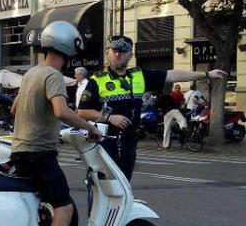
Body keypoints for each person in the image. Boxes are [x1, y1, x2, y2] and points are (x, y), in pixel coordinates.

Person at [10, 21, 103, 226]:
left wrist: (41, 122)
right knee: (64, 208)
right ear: (66, 46)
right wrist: (91, 128)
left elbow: (16, 108)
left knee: (45, 204)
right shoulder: (53, 76)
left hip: (21, 151)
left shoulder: (31, 74)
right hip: (40, 154)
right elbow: (61, 111)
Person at [77, 35, 226, 180]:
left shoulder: (139, 75)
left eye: (123, 51)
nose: (118, 54)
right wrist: (109, 117)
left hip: (129, 142)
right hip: (105, 142)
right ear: (107, 53)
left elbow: (172, 75)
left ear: (130, 54)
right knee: (103, 185)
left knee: (123, 186)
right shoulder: (97, 80)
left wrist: (206, 74)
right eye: (114, 50)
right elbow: (81, 112)